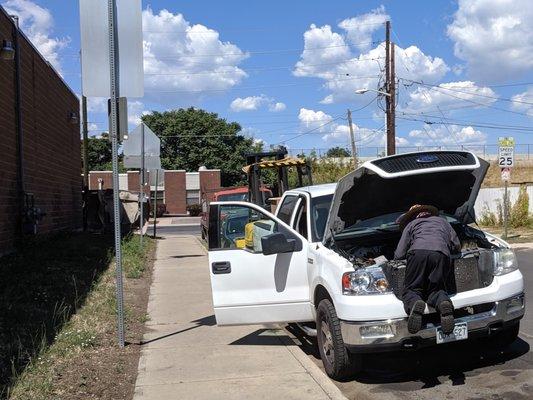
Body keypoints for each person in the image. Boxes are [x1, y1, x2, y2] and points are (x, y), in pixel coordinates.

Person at [394, 204, 461, 335]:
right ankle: (443, 302)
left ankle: (415, 303)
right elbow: (456, 245)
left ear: (413, 216)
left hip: (418, 253)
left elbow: (399, 253)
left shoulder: (411, 224)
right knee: (436, 288)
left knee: (412, 289)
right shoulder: (443, 222)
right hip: (441, 254)